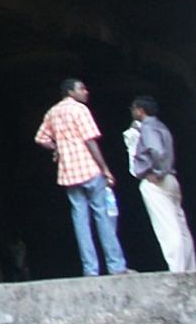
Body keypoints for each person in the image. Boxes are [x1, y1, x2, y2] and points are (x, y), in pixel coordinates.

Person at [34, 78, 127, 276]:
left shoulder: (52, 112)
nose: (86, 92)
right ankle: (116, 266)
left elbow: (40, 138)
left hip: (69, 173)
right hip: (89, 169)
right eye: (81, 89)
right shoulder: (79, 110)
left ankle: (90, 269)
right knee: (102, 215)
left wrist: (57, 148)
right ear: (70, 92)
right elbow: (90, 141)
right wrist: (105, 168)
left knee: (80, 221)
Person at [127, 96, 196, 272]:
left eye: (133, 109)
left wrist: (157, 172)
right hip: (171, 179)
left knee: (167, 227)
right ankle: (189, 268)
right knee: (181, 227)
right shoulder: (160, 126)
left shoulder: (148, 128)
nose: (132, 111)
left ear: (140, 111)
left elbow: (157, 151)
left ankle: (177, 270)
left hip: (157, 182)